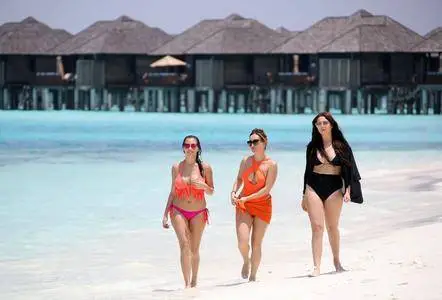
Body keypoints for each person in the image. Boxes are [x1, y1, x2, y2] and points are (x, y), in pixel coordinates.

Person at [301, 112, 362, 277]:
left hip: (334, 187)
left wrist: (348, 190)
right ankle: (316, 267)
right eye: (318, 123)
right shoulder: (312, 147)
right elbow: (307, 172)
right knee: (317, 227)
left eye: (324, 123)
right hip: (313, 187)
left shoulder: (341, 146)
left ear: (331, 125)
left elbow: (350, 170)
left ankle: (336, 260)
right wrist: (304, 195)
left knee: (332, 226)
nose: (321, 126)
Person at [162, 135, 214, 288]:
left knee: (194, 249)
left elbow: (211, 191)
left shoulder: (205, 168)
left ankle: (194, 281)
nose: (190, 148)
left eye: (193, 146)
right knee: (184, 245)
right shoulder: (176, 167)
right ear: (183, 148)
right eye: (187, 145)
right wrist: (165, 214)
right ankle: (186, 285)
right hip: (178, 210)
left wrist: (204, 187)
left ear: (198, 148)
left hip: (198, 212)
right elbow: (172, 192)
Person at [230, 128, 278, 281]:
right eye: (249, 142)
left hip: (262, 205)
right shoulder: (245, 161)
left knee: (256, 242)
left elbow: (266, 189)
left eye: (255, 141)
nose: (252, 145)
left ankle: (253, 276)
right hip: (244, 204)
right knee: (242, 242)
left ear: (264, 142)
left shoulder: (271, 164)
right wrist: (233, 192)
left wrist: (247, 198)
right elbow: (239, 179)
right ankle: (246, 261)